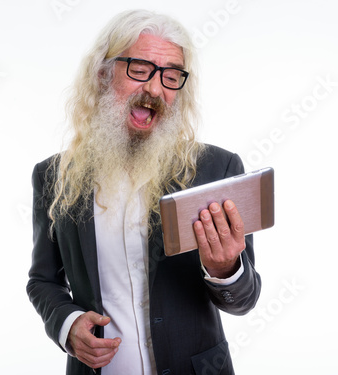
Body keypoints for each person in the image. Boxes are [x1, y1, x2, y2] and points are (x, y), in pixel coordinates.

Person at [27, 9, 261, 375]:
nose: (154, 89)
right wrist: (67, 324)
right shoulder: (54, 176)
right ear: (104, 73)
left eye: (171, 77)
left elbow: (244, 300)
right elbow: (43, 280)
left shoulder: (217, 169)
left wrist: (226, 269)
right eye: (139, 69)